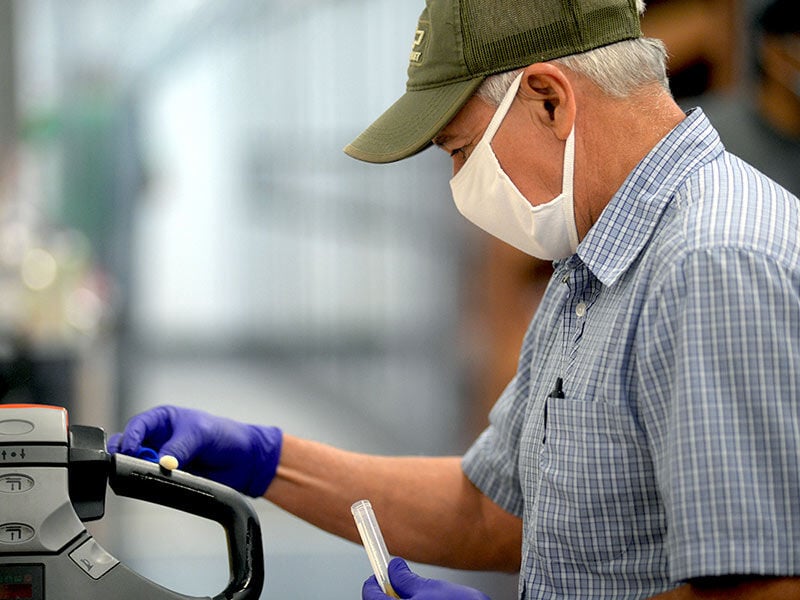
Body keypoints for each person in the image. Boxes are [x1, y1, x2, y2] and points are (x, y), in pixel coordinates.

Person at [110, 0, 800, 598]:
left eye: (461, 151)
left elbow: (766, 590)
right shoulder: (593, 262)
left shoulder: (711, 263)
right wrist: (267, 459)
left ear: (550, 99)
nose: (460, 184)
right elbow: (493, 511)